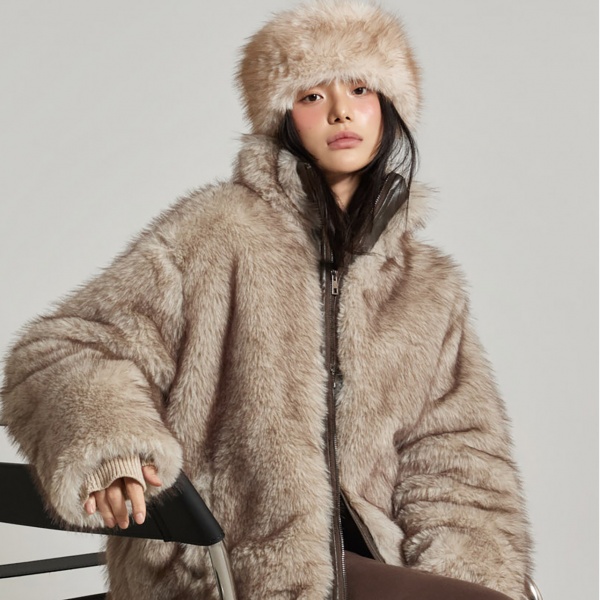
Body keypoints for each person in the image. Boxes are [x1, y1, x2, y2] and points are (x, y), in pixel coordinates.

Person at [1, 2, 534, 599]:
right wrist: (114, 450)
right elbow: (62, 351)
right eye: (312, 95)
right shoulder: (216, 232)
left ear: (388, 106)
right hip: (221, 563)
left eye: (360, 88)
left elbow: (457, 458)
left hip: (360, 561)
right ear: (283, 118)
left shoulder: (427, 288)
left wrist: (478, 572)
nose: (340, 110)